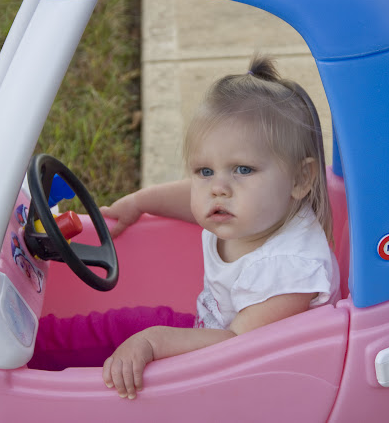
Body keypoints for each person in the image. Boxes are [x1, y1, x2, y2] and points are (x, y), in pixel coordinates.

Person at [29, 54, 340, 400]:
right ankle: (32, 346)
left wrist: (154, 342)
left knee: (137, 357)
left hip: (244, 385)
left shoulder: (290, 270)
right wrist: (141, 202)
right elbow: (190, 197)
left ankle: (41, 393)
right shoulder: (251, 212)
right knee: (118, 327)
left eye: (243, 170)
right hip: (208, 336)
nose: (217, 189)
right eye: (205, 171)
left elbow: (238, 351)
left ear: (300, 178)